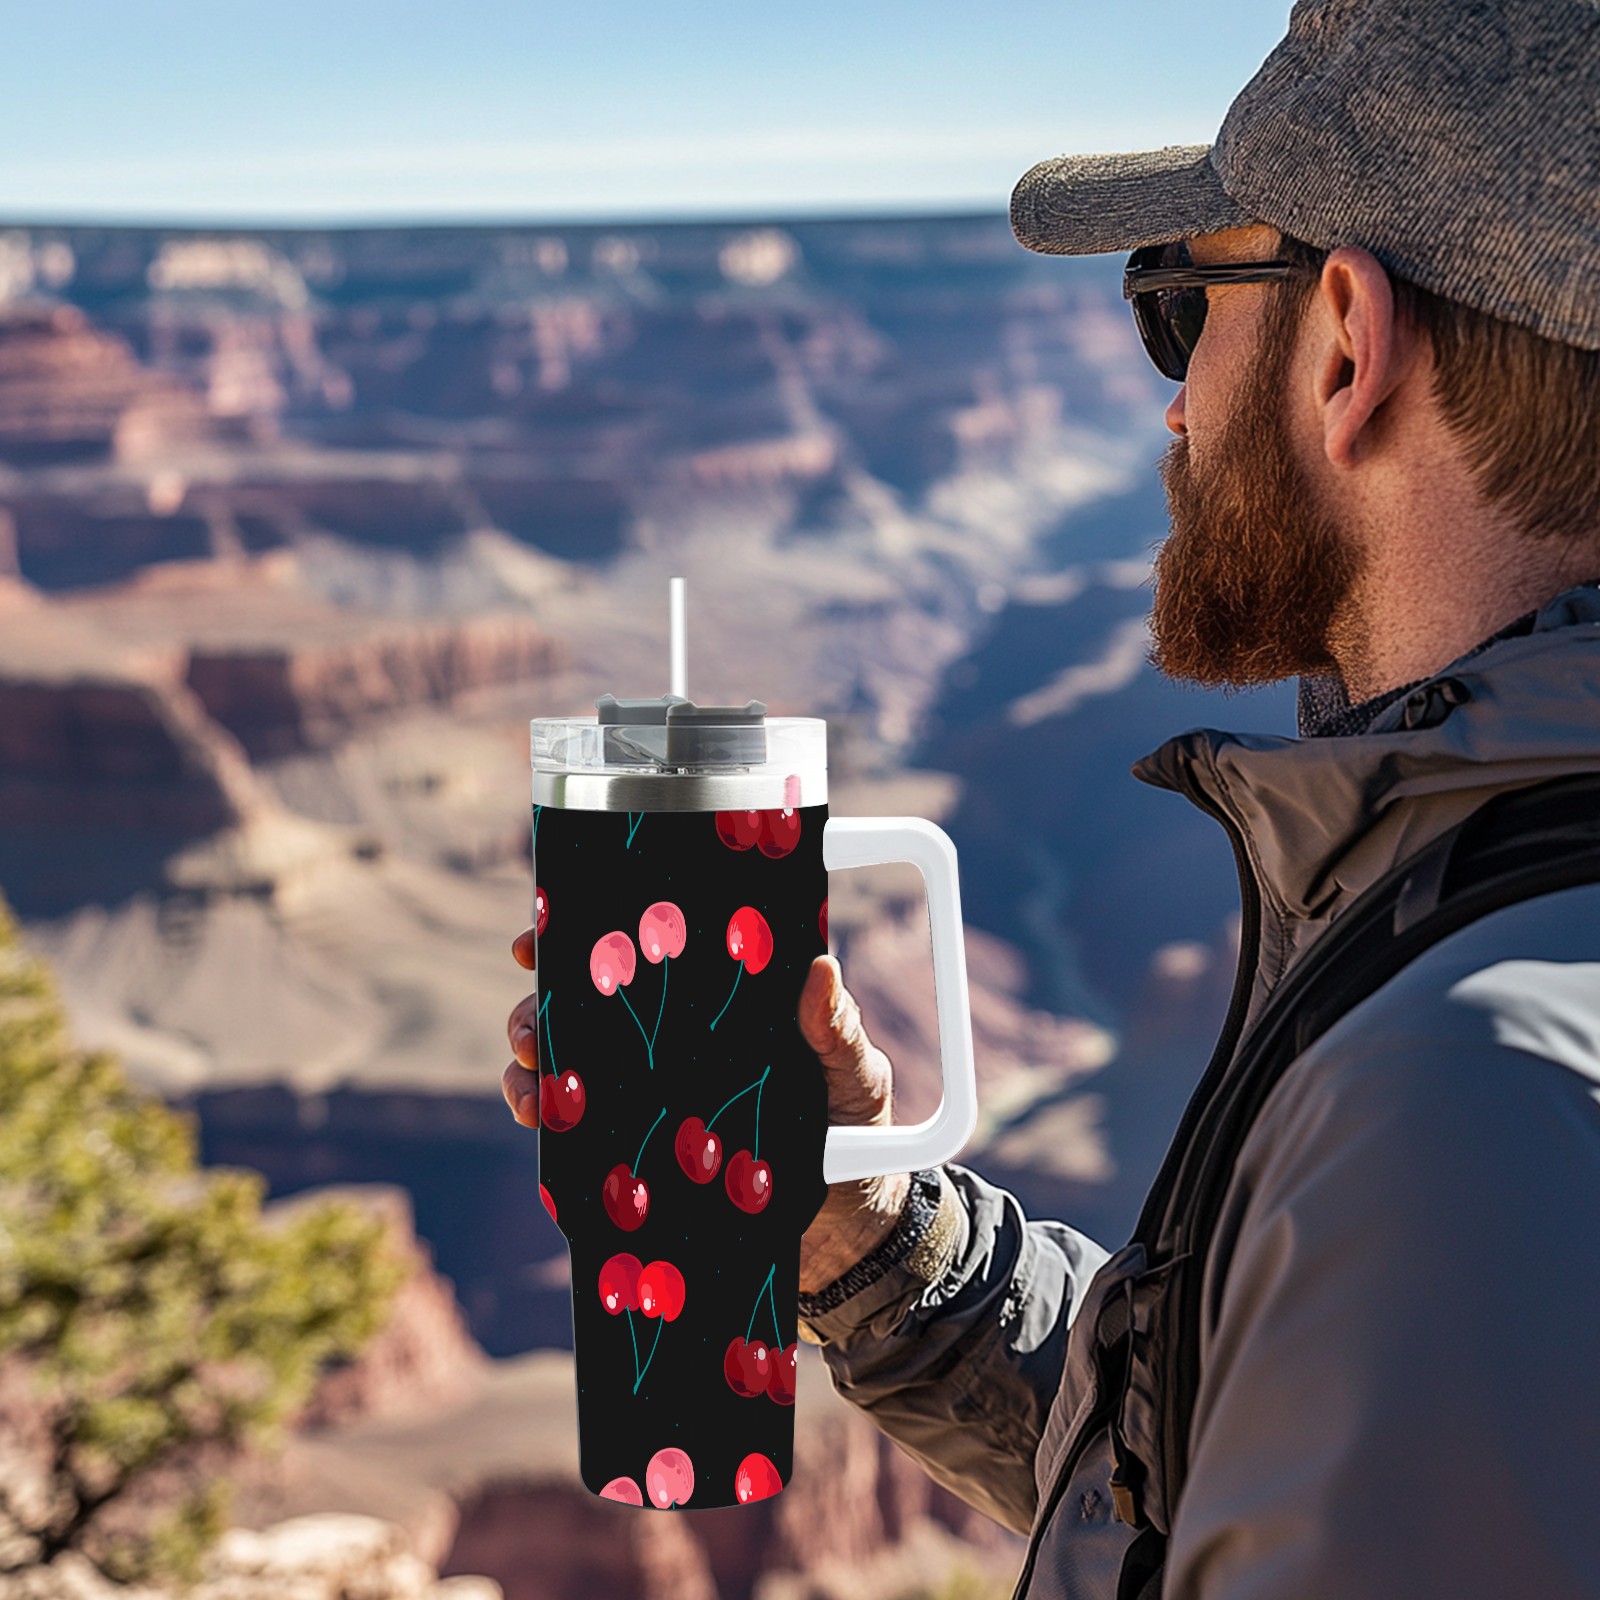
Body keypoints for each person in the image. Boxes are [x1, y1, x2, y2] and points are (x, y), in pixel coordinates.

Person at [504, 0, 1600, 1591]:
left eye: (1182, 305)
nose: (1173, 402)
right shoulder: (1493, 969)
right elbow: (1239, 1471)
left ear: (1347, 343)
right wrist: (859, 1224)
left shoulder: (1460, 1104)